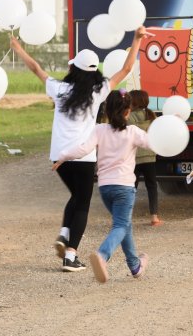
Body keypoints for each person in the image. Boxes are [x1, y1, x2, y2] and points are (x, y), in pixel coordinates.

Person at [10, 26, 149, 273]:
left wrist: (19, 48)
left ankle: (64, 234)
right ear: (95, 73)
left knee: (75, 196)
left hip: (59, 156)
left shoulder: (60, 89)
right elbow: (126, 70)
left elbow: (36, 69)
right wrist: (136, 39)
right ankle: (71, 255)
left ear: (73, 69)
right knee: (82, 202)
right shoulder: (98, 92)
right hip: (84, 155)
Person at [54, 91, 151, 284]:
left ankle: (135, 265)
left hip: (106, 188)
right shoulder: (133, 132)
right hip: (124, 187)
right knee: (121, 225)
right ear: (128, 111)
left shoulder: (99, 130)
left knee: (125, 225)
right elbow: (154, 143)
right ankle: (102, 255)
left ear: (106, 110)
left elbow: (82, 149)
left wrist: (63, 155)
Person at [127, 90, 162, 227]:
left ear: (133, 102)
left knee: (131, 188)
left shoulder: (130, 117)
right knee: (152, 187)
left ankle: (127, 216)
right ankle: (154, 217)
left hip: (135, 158)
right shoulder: (152, 115)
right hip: (150, 157)